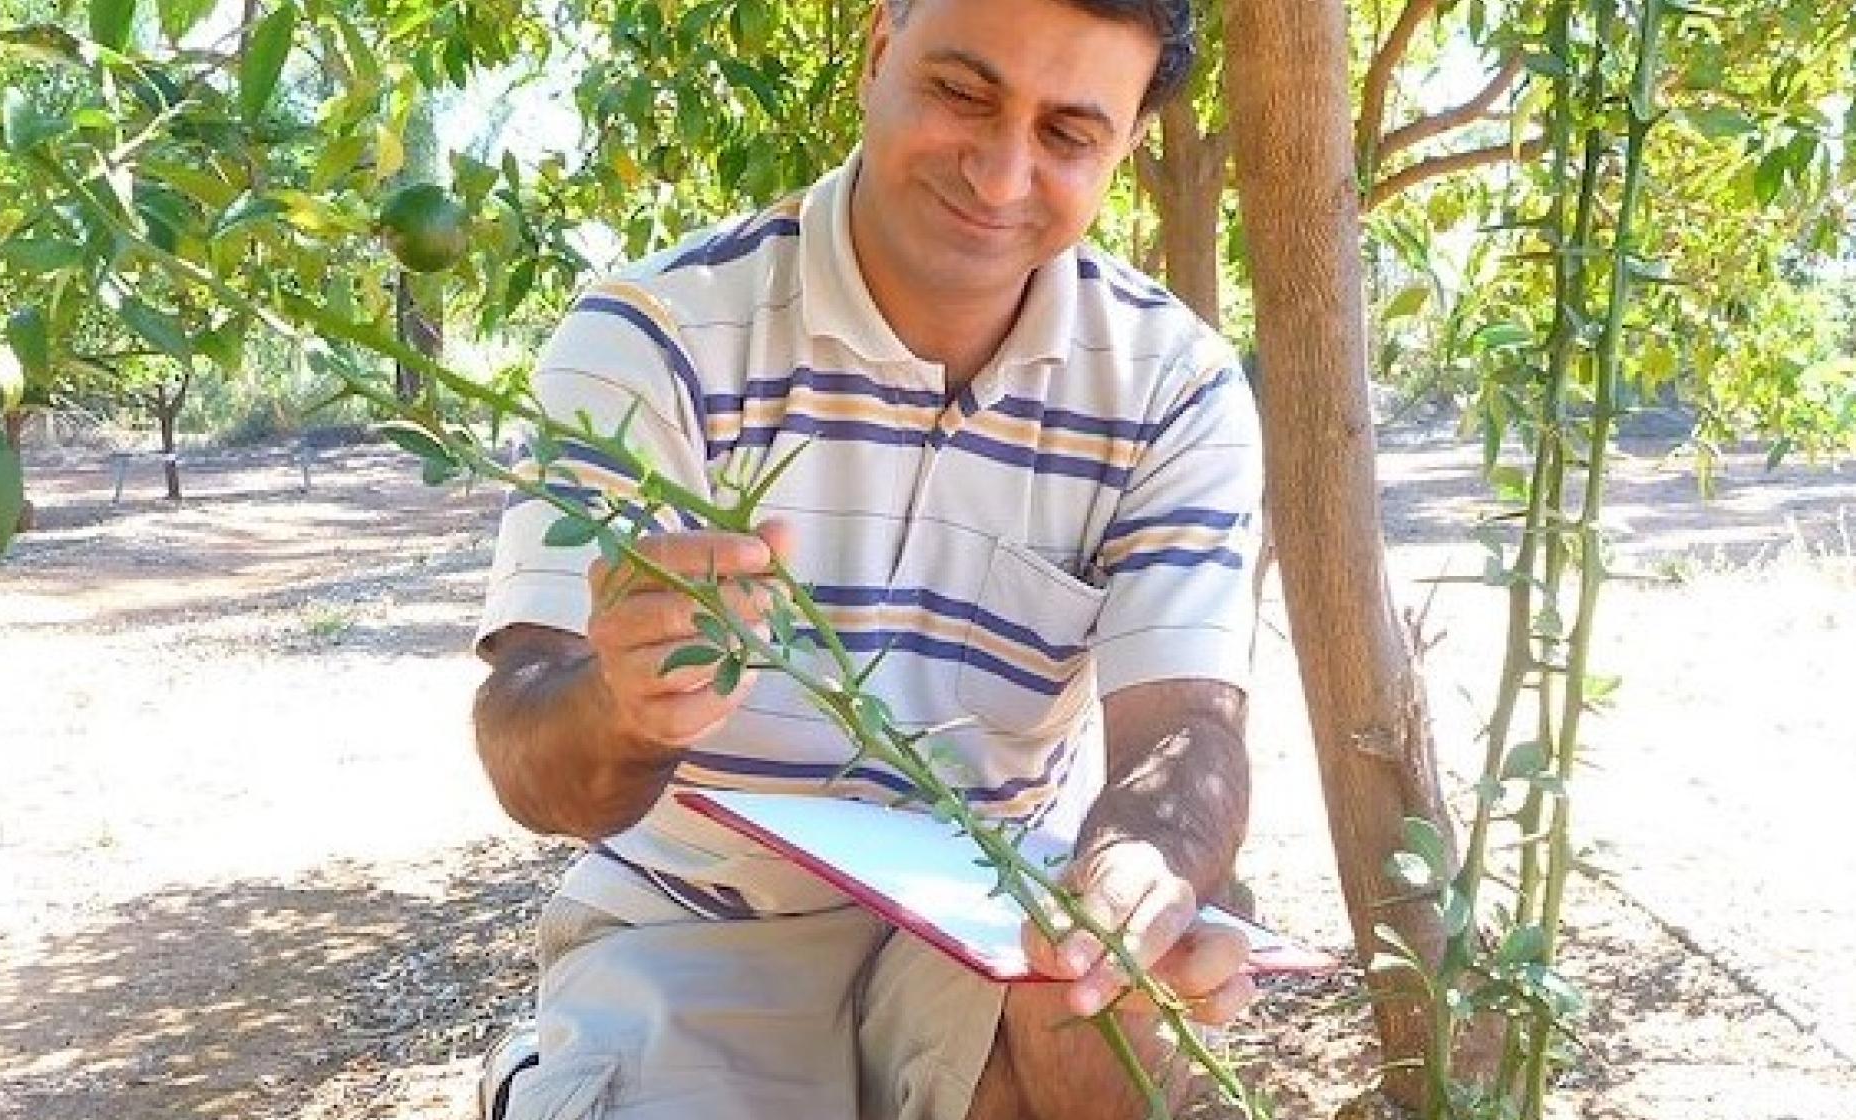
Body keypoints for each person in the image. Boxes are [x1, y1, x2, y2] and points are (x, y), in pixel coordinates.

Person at [470, 0, 1264, 1116]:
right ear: (878, 52)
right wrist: (620, 706)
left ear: (1125, 147)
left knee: (1107, 1025)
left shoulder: (1174, 385)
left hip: (979, 916)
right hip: (690, 924)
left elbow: (1184, 728)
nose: (998, 175)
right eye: (961, 92)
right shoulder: (654, 336)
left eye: (1067, 135)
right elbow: (525, 752)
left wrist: (1146, 869)